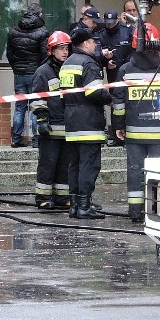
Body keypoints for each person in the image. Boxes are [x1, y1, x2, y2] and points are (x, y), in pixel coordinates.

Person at [111, 23, 160, 223]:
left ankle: (136, 212)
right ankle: (158, 212)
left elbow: (118, 102)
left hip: (134, 134)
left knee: (135, 171)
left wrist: (118, 126)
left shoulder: (125, 70)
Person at [59, 27, 112, 219]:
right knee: (89, 165)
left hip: (72, 121)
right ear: (86, 43)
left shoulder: (66, 63)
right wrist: (110, 99)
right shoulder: (89, 63)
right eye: (93, 42)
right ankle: (84, 205)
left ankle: (74, 205)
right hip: (89, 122)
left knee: (75, 164)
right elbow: (94, 92)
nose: (96, 45)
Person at [30, 31, 72, 210]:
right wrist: (42, 119)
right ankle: (43, 198)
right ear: (51, 50)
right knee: (48, 164)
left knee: (65, 165)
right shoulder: (43, 72)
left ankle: (62, 198)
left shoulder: (69, 69)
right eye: (61, 49)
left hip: (68, 126)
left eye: (66, 48)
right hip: (50, 126)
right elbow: (37, 98)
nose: (65, 52)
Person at [6, 2, 49, 148]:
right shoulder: (43, 31)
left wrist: (16, 68)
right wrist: (41, 71)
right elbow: (45, 54)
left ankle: (15, 139)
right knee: (36, 106)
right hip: (35, 73)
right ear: (39, 15)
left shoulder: (13, 30)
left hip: (19, 73)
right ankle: (36, 139)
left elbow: (10, 54)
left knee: (20, 107)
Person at [98, 8, 133, 147]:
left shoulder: (127, 31)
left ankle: (129, 134)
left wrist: (128, 64)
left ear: (117, 20)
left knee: (129, 102)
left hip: (129, 72)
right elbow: (97, 56)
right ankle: (117, 136)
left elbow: (135, 50)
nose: (109, 25)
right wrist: (106, 62)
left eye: (112, 23)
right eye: (107, 23)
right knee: (116, 104)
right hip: (113, 73)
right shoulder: (101, 34)